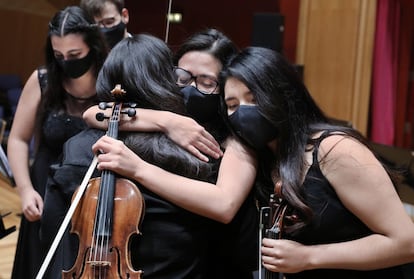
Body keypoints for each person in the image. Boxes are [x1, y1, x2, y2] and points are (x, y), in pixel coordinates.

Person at [220, 46, 414, 278]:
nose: (243, 112)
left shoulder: (334, 149)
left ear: (284, 95)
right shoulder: (263, 158)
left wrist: (309, 257)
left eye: (254, 99)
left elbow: (406, 243)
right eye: (233, 106)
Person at [46, 33, 227, 278]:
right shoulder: (197, 154)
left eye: (206, 82)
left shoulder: (76, 149)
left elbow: (50, 232)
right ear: (166, 81)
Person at [87, 28, 260, 277]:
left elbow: (224, 205)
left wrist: (139, 168)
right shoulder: (168, 120)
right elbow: (93, 113)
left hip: (217, 264)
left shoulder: (236, 137)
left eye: (206, 83)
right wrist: (166, 120)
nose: (189, 87)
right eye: (182, 77)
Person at [8, 6, 108, 279]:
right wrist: (25, 190)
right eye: (59, 55)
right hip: (43, 192)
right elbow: (17, 139)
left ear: (93, 47)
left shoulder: (111, 83)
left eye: (75, 55)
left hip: (91, 196)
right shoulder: (42, 80)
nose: (66, 62)